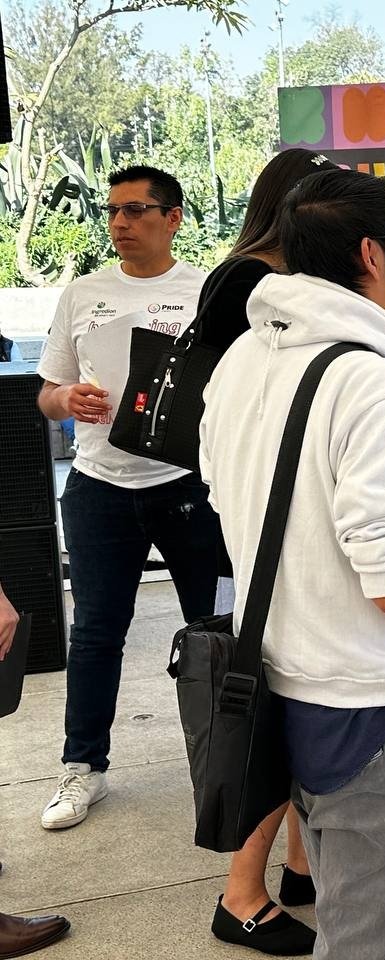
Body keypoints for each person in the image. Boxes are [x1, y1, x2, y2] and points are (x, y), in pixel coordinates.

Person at [201, 168, 385, 960]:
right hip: (372, 709)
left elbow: (236, 503)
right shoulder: (371, 383)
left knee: (349, 921)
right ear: (372, 254)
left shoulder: (242, 361)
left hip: (287, 687)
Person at [35, 165, 222, 827]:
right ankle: (83, 768)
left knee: (214, 630)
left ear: (173, 218)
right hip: (99, 488)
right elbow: (47, 392)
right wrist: (65, 399)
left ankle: (228, 765)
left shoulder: (208, 291)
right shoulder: (83, 293)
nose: (120, 222)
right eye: (113, 210)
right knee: (94, 634)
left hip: (189, 486)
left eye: (137, 210)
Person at [193, 148, 343, 955]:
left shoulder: (250, 278)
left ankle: (298, 864)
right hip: (264, 520)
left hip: (263, 514)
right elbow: (267, 410)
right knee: (271, 704)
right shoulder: (257, 286)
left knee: (285, 694)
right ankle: (242, 893)